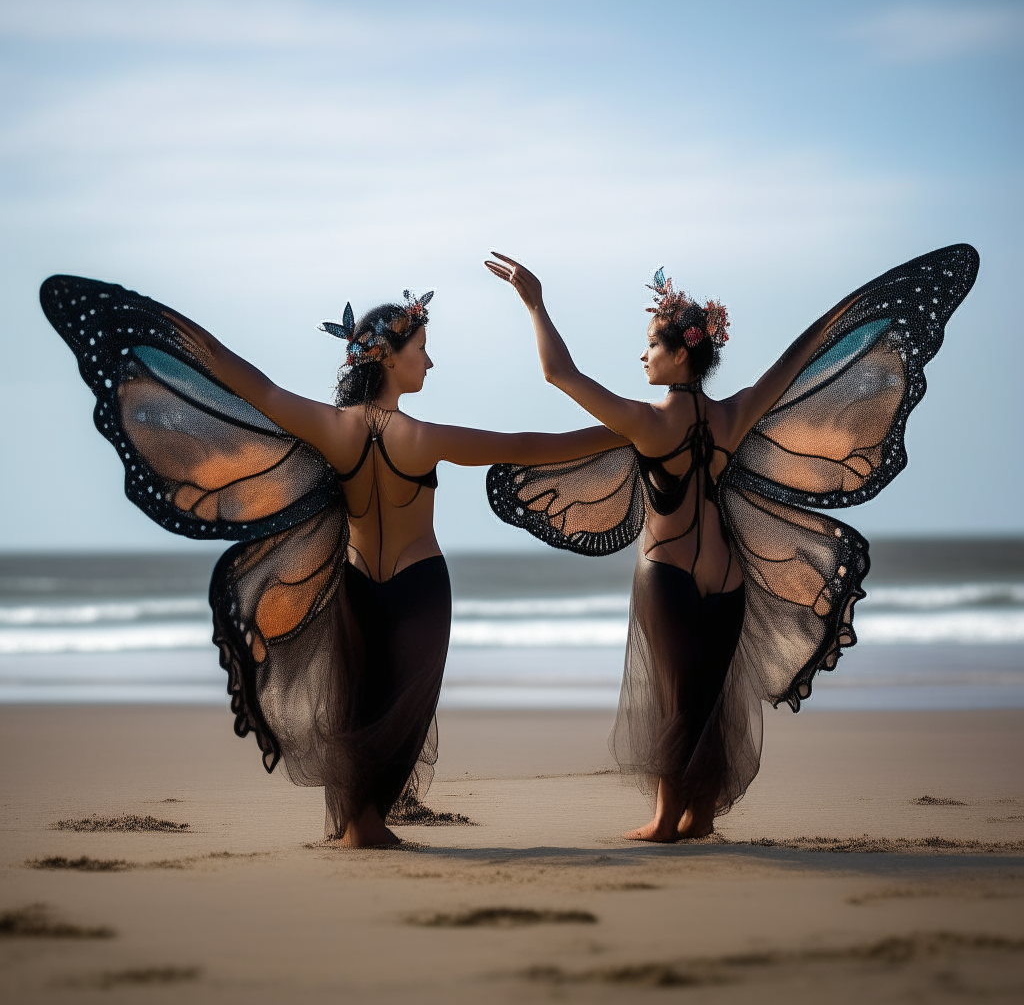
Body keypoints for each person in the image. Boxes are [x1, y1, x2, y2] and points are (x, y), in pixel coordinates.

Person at [40, 277, 627, 847]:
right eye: (421, 350)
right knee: (403, 706)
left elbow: (250, 384)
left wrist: (169, 332)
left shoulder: (330, 428)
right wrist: (619, 434)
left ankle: (359, 822)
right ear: (390, 359)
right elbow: (528, 446)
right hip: (420, 587)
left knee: (359, 702)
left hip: (355, 583)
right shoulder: (424, 437)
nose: (430, 362)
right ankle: (367, 823)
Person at [484, 245, 979, 842]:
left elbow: (559, 375)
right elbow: (795, 363)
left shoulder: (647, 422)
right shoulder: (734, 415)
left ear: (680, 353)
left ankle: (668, 819)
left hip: (666, 573)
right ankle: (701, 814)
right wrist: (837, 323)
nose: (642, 354)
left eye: (651, 344)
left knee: (674, 697)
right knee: (708, 698)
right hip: (727, 579)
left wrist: (535, 305)